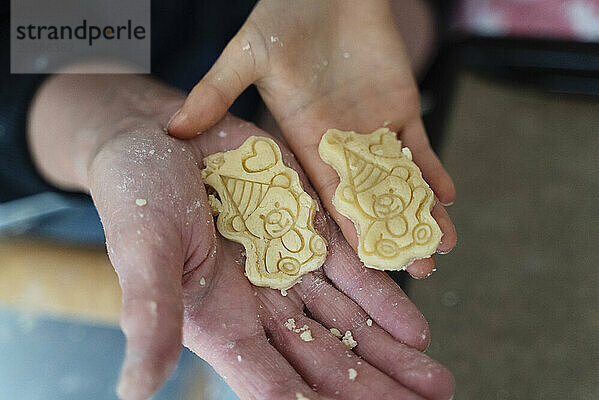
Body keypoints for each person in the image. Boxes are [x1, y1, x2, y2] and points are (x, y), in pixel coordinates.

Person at [2, 1, 457, 399]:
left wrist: (369, 21)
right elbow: (35, 31)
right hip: (47, 159)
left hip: (331, 103)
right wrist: (108, 117)